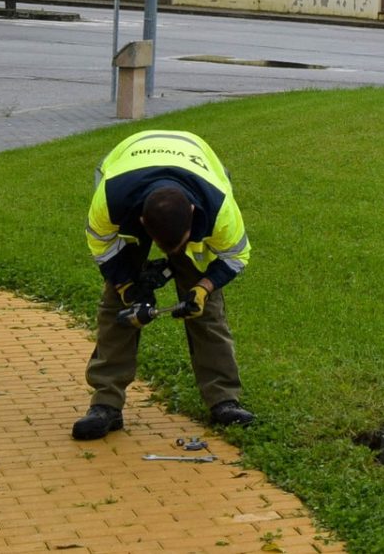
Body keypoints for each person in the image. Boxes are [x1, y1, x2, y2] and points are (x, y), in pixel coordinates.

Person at [71, 129, 254, 440]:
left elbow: (237, 256)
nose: (168, 252)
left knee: (205, 309)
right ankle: (106, 404)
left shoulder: (219, 209)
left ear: (194, 217)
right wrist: (128, 287)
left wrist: (202, 289)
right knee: (117, 306)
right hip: (125, 171)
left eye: (177, 243)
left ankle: (224, 399)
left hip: (200, 169)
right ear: (142, 224)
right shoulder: (109, 201)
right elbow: (101, 247)